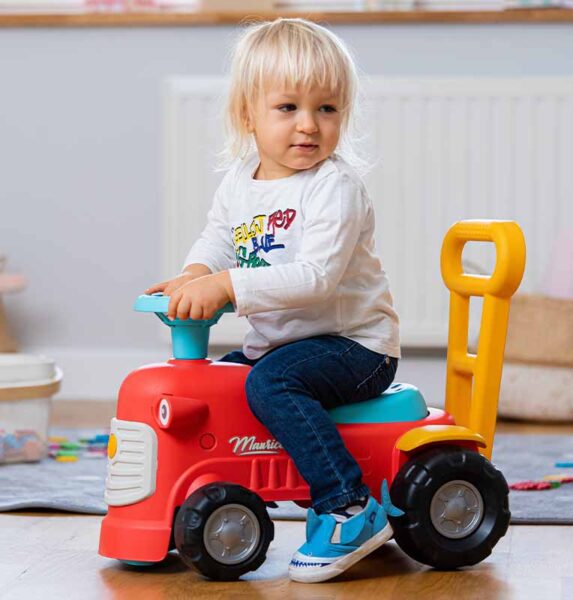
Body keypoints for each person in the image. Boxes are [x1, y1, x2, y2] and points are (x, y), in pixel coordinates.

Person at [146, 17, 401, 583]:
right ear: (248, 116)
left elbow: (316, 278)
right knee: (220, 386)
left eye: (327, 109)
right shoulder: (242, 180)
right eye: (288, 108)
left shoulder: (334, 187)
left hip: (355, 347)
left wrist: (228, 285)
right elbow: (219, 236)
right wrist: (195, 272)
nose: (309, 125)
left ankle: (347, 507)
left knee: (270, 383)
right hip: (287, 345)